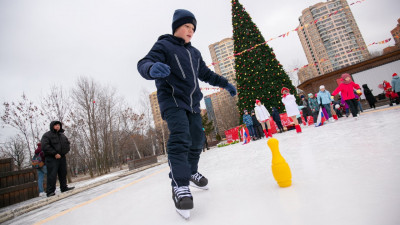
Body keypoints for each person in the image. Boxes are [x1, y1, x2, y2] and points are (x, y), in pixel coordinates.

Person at [137, 9, 237, 212]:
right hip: (172, 102)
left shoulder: (194, 53)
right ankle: (180, 185)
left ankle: (191, 172)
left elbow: (206, 74)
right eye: (186, 26)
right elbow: (143, 63)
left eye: (193, 28)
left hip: (192, 104)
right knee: (181, 137)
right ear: (176, 27)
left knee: (198, 140)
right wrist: (151, 68)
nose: (190, 31)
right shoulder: (163, 45)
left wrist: (225, 83)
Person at [41, 121, 74, 197]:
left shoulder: (62, 136)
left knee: (63, 173)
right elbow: (45, 146)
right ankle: (50, 191)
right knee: (52, 174)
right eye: (55, 125)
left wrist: (63, 153)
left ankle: (64, 187)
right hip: (52, 158)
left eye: (58, 125)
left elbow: (67, 145)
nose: (57, 126)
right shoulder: (47, 135)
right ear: (52, 126)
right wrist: (54, 153)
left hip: (62, 157)